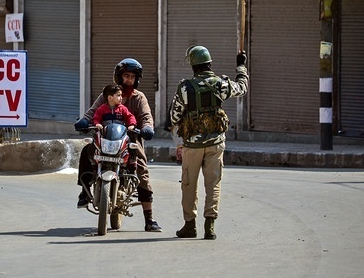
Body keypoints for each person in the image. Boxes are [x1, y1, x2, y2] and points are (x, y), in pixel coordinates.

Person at [74, 58, 162, 232]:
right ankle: (84, 192)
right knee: (86, 152)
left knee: (142, 171)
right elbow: (93, 112)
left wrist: (147, 128)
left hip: (130, 142)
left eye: (132, 77)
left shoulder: (139, 98)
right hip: (105, 141)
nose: (129, 80)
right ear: (118, 77)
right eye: (126, 76)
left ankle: (149, 219)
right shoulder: (107, 95)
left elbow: (146, 117)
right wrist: (84, 121)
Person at [170, 45, 248, 240]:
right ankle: (209, 226)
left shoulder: (185, 87)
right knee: (213, 184)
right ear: (209, 64)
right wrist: (241, 67)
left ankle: (190, 225)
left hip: (192, 146)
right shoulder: (221, 84)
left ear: (193, 67)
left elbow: (174, 116)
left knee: (189, 184)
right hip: (216, 142)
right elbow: (242, 88)